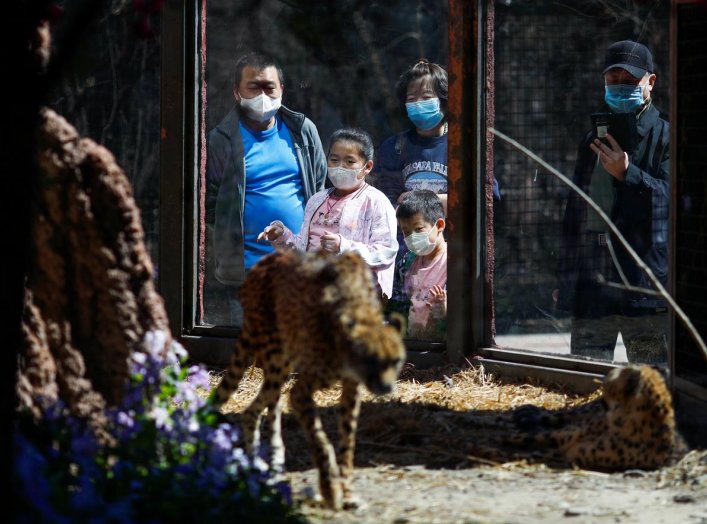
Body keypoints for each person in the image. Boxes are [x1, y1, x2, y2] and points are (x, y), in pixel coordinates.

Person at [555, 40, 669, 363]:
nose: (620, 87)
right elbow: (575, 211)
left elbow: (668, 200)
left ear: (650, 81)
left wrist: (628, 172)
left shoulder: (665, 137)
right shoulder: (593, 138)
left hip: (643, 284)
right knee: (587, 376)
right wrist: (565, 278)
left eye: (630, 81)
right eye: (613, 80)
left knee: (650, 379)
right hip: (593, 281)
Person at [206, 51, 327, 326]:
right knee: (249, 354)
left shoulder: (303, 130)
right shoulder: (221, 139)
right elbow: (209, 200)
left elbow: (319, 188)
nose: (263, 94)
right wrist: (230, 231)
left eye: (269, 87)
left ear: (281, 89)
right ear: (237, 92)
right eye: (254, 87)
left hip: (299, 269)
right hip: (246, 275)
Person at [372, 59, 500, 314]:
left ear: (443, 99)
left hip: (452, 260)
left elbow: (489, 197)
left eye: (426, 96)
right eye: (412, 97)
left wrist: (424, 199)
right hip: (405, 263)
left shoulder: (463, 145)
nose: (419, 103)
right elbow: (383, 204)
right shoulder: (394, 148)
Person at [258, 127, 398, 301]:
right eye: (334, 160)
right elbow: (303, 251)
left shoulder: (376, 202)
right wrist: (281, 235)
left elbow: (386, 252)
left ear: (367, 166)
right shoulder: (317, 200)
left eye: (349, 161)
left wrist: (344, 246)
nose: (340, 167)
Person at [386, 190, 447, 341]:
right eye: (406, 232)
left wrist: (445, 309)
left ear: (439, 225)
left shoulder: (454, 262)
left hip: (443, 349)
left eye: (418, 229)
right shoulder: (407, 262)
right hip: (413, 347)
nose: (412, 237)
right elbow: (397, 305)